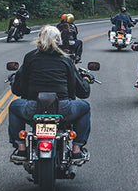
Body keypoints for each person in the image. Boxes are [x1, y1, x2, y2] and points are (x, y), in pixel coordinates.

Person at [8, 25, 91, 164]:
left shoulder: (30, 58)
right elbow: (80, 90)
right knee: (85, 107)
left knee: (13, 106)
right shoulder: (66, 60)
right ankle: (76, 150)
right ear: (59, 40)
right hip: (62, 108)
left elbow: (18, 89)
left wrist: (16, 81)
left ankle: (21, 149)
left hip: (34, 108)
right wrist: (86, 80)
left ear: (40, 39)